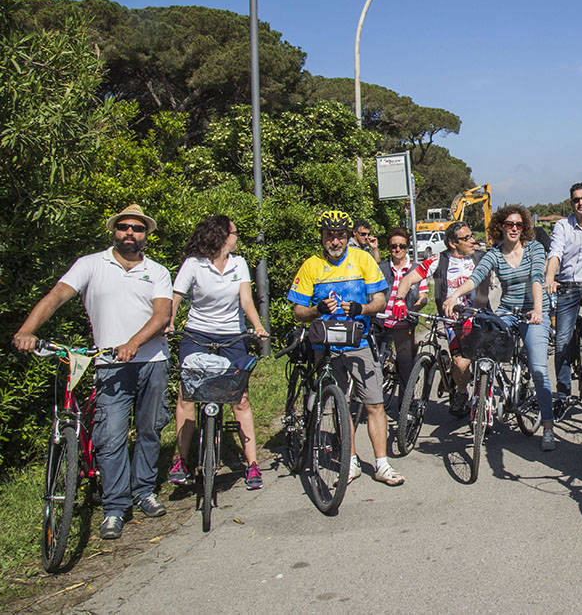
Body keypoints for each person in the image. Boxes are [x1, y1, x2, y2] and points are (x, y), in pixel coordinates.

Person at [13, 204, 172, 540]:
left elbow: (161, 316)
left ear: (146, 235)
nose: (130, 233)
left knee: (149, 429)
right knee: (110, 436)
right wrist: (26, 330)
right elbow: (57, 296)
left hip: (152, 361)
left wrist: (133, 343)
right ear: (114, 230)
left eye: (138, 228)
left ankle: (144, 490)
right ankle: (115, 507)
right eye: (124, 227)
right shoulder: (90, 265)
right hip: (109, 364)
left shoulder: (157, 271)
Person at [287, 210, 403, 486]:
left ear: (348, 237)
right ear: (323, 238)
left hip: (359, 342)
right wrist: (316, 309)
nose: (335, 241)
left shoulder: (362, 259)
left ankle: (382, 464)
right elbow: (297, 312)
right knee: (340, 405)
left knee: (374, 403)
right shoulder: (311, 266)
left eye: (340, 236)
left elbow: (380, 301)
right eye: (330, 236)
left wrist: (361, 308)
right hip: (326, 345)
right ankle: (350, 461)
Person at [166, 215, 268, 491]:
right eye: (234, 233)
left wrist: (257, 326)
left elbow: (246, 299)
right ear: (222, 236)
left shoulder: (239, 264)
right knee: (187, 394)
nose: (237, 237)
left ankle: (252, 465)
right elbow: (175, 297)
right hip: (197, 336)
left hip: (232, 336)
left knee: (240, 399)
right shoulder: (194, 264)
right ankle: (181, 460)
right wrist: (171, 321)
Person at [442, 205, 557, 451]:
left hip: (534, 309)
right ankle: (487, 397)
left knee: (538, 369)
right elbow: (476, 277)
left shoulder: (534, 248)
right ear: (501, 227)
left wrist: (538, 309)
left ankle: (548, 426)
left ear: (524, 227)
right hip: (507, 310)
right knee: (486, 350)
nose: (514, 229)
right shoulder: (494, 253)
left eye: (518, 225)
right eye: (509, 224)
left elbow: (537, 277)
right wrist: (454, 296)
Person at [392, 221, 491, 417]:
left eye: (472, 236)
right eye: (466, 238)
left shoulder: (483, 258)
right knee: (461, 364)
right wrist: (399, 300)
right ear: (453, 243)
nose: (473, 240)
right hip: (453, 322)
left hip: (480, 319)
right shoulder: (438, 260)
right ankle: (461, 392)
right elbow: (407, 279)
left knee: (484, 363)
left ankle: (485, 401)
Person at [544, 182, 582, 403]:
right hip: (568, 286)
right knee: (562, 341)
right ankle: (563, 392)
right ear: (571, 203)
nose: (581, 203)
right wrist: (550, 277)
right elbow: (555, 253)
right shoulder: (562, 226)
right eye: (576, 200)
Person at [376, 227, 428, 405]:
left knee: (405, 364)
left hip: (404, 322)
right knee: (374, 362)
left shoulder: (416, 269)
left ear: (407, 247)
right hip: (380, 320)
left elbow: (423, 295)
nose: (397, 250)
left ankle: (405, 405)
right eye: (393, 246)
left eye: (402, 246)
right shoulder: (381, 268)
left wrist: (415, 307)